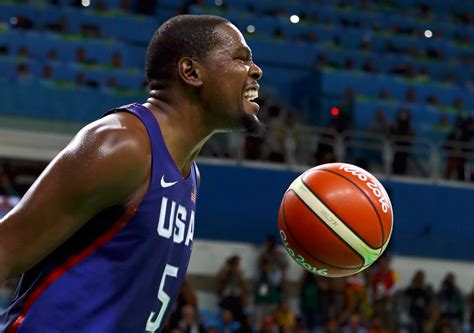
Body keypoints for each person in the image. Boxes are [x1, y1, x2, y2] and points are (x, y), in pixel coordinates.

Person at [0, 14, 263, 332]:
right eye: (240, 58)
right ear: (191, 72)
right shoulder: (123, 144)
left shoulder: (189, 173)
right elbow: (7, 248)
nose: (255, 70)